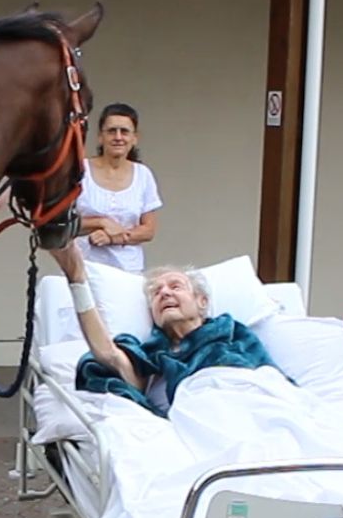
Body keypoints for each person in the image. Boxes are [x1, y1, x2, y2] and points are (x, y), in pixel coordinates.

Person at [43, 238, 273, 414]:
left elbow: (269, 380)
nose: (164, 293)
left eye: (176, 286)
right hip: (203, 413)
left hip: (253, 404)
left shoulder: (234, 334)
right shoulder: (151, 358)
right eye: (155, 293)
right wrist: (76, 278)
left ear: (202, 302)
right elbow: (107, 353)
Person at [72, 103, 163, 273]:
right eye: (112, 131)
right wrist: (101, 222)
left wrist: (113, 238)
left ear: (135, 138)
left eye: (125, 131)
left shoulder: (143, 175)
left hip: (129, 271)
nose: (118, 137)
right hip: (84, 270)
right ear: (100, 137)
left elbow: (149, 230)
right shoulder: (79, 172)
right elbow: (65, 224)